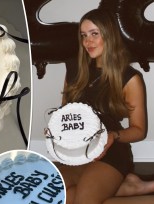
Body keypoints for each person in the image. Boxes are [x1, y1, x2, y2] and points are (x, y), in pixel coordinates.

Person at [59, 9, 154, 204]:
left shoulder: (130, 78)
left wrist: (113, 136)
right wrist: (57, 129)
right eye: (84, 35)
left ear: (109, 35)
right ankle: (127, 188)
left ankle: (127, 187)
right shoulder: (74, 68)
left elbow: (139, 130)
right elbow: (65, 112)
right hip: (78, 150)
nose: (88, 42)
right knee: (56, 196)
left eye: (94, 34)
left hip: (110, 151)